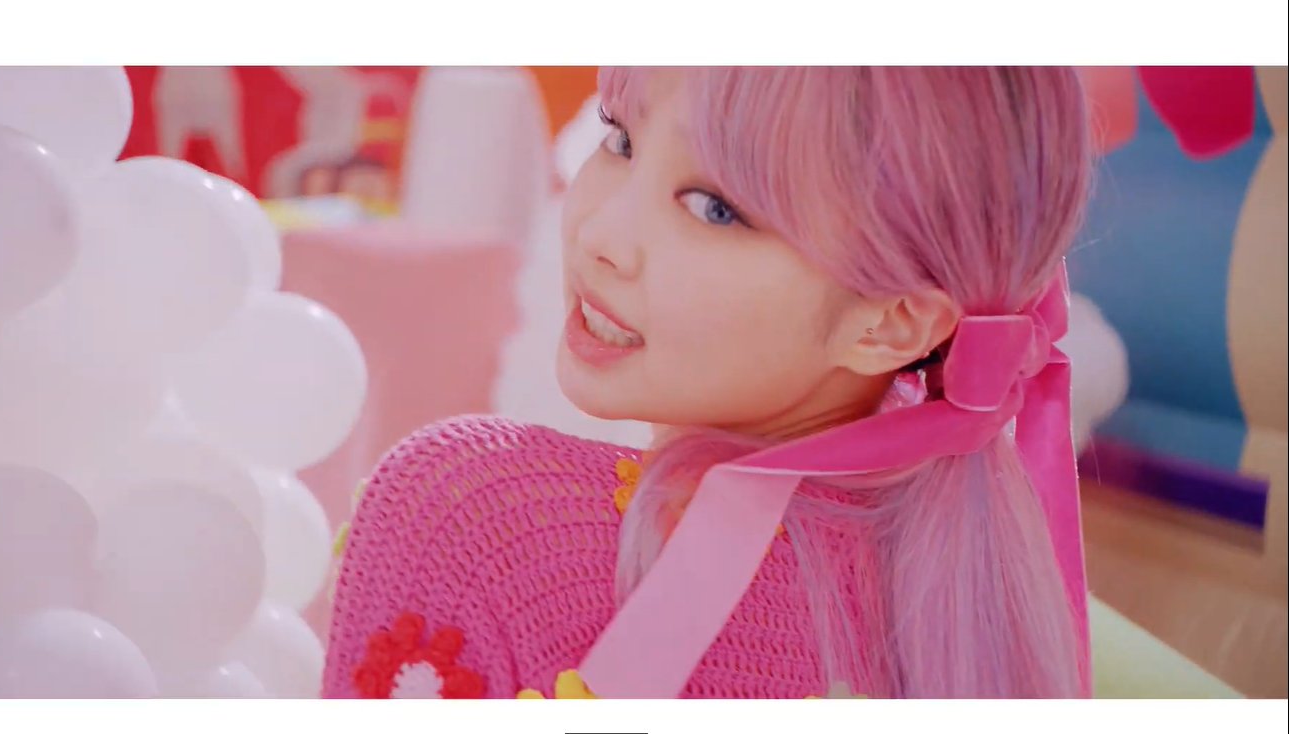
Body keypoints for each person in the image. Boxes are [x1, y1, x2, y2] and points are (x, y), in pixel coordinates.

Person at [323, 66, 1093, 699]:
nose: (599, 235)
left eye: (715, 209)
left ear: (890, 324)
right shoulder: (986, 616)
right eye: (620, 138)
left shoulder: (479, 515)